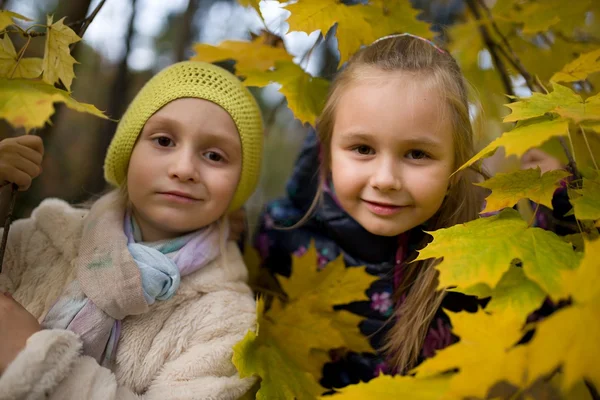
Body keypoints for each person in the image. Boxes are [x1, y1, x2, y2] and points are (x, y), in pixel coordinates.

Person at [0, 61, 264, 399]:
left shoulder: (227, 321)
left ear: (238, 184)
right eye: (164, 140)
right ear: (129, 152)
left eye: (214, 155)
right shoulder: (42, 238)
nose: (184, 169)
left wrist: (33, 358)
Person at [254, 33, 487, 389]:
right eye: (363, 148)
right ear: (327, 150)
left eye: (417, 154)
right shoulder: (280, 237)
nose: (386, 179)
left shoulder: (479, 264)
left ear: (457, 166)